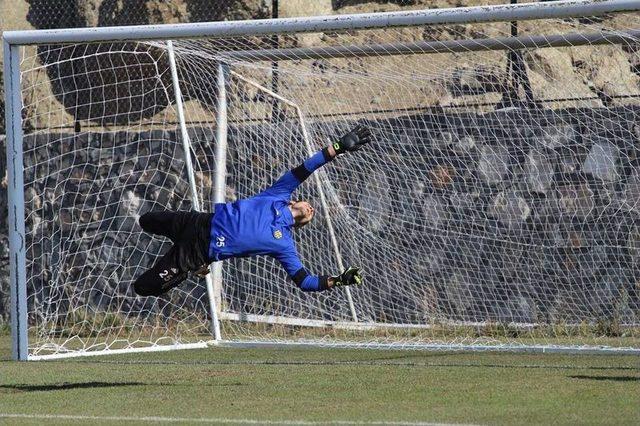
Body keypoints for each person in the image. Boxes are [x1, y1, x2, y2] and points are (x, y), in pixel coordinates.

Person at [133, 124, 372, 297]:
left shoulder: (284, 245)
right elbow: (306, 168)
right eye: (308, 205)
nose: (311, 209)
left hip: (198, 253)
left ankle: (186, 272)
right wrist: (338, 147)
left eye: (311, 215)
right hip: (197, 222)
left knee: (144, 287)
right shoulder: (277, 195)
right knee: (146, 220)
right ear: (294, 202)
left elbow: (305, 281)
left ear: (302, 225)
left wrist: (338, 280)